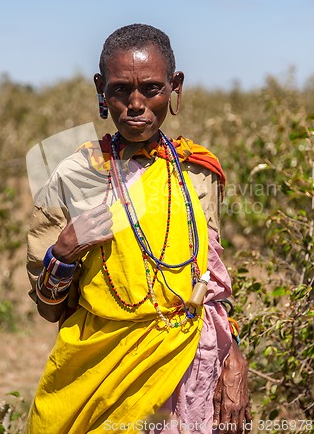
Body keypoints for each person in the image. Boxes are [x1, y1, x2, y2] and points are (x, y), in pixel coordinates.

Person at [26, 24, 251, 433]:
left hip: (189, 367)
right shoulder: (75, 174)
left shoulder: (196, 171)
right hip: (97, 376)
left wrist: (232, 356)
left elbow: (211, 280)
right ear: (100, 89)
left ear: (174, 86)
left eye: (151, 89)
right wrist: (63, 253)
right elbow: (48, 304)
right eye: (119, 90)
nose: (135, 104)